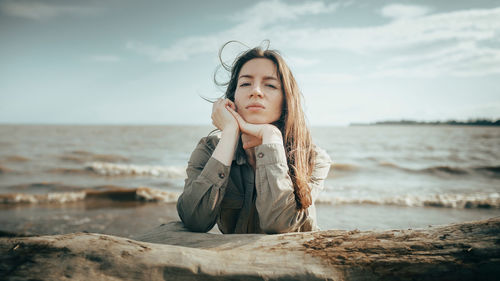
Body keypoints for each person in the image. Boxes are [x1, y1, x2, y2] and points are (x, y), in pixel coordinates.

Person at [176, 42, 332, 234]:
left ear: (286, 99)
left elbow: (280, 225)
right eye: (245, 83)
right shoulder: (209, 150)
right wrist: (230, 133)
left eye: (270, 85)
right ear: (233, 97)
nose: (256, 91)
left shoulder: (313, 158)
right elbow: (194, 219)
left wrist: (271, 137)